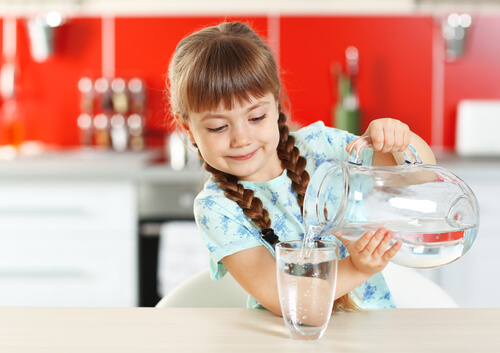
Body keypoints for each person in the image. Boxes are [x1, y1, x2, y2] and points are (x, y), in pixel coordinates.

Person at [166, 21, 436, 316]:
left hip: (374, 333)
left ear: (276, 105)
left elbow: (421, 176)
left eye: (255, 117)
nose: (241, 138)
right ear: (189, 130)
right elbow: (281, 297)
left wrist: (398, 141)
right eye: (218, 127)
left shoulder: (322, 147)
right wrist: (356, 268)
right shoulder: (217, 208)